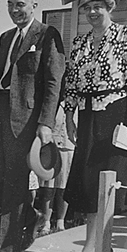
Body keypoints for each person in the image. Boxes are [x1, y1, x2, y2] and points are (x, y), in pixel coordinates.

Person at [63, 0, 127, 252]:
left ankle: (93, 250)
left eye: (98, 6)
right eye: (88, 8)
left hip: (116, 114)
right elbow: (71, 82)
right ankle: (94, 246)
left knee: (107, 183)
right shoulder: (80, 42)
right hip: (87, 115)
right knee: (86, 182)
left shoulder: (126, 34)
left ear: (109, 6)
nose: (93, 12)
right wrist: (69, 115)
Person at [0, 0, 65, 252]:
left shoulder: (47, 35)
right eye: (10, 4)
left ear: (33, 4)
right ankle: (30, 218)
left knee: (15, 183)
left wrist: (46, 123)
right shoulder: (5, 37)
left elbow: (54, 83)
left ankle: (7, 251)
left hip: (27, 120)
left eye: (20, 4)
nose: (14, 10)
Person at [38, 99, 75, 235]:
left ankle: (61, 221)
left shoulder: (76, 103)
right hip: (52, 147)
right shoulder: (53, 103)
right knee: (49, 187)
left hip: (69, 147)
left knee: (63, 187)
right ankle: (46, 222)